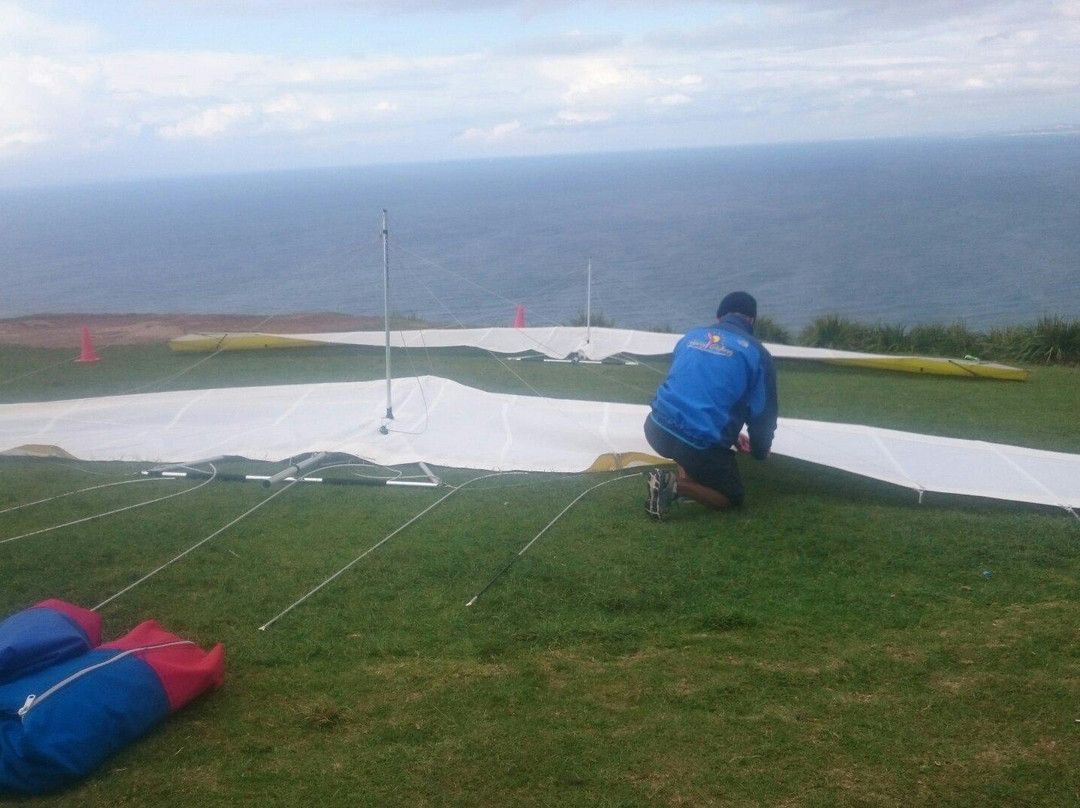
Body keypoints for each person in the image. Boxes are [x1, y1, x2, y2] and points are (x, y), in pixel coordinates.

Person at [643, 291, 778, 520]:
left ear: (719, 318)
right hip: (698, 444)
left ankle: (686, 483)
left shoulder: (690, 337)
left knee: (685, 442)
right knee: (732, 496)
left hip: (656, 428)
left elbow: (693, 390)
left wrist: (733, 437)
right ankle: (677, 486)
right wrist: (759, 451)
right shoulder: (756, 353)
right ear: (752, 320)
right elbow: (763, 414)